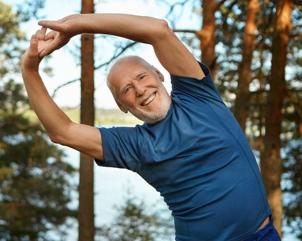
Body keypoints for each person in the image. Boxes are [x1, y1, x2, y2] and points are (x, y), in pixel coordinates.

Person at [21, 13, 280, 241]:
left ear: (159, 74)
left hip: (263, 235)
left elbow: (158, 30)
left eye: (142, 77)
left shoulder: (198, 96)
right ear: (122, 105)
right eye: (127, 90)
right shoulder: (133, 145)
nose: (140, 90)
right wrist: (29, 68)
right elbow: (62, 131)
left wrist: (77, 24)